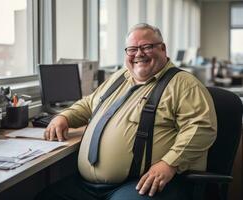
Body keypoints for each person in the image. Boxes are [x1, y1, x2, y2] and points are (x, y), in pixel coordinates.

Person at [36, 23, 217, 200]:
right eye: (132, 49)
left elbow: (201, 128)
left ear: (163, 48)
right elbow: (89, 104)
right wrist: (64, 117)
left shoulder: (184, 83)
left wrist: (169, 163)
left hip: (141, 183)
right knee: (46, 196)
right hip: (89, 186)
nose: (138, 54)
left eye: (146, 47)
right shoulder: (120, 77)